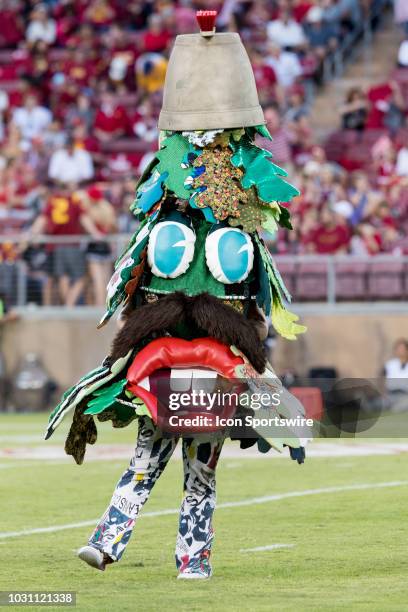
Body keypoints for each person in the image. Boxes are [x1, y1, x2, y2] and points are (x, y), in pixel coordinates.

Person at [46, 11, 308, 581]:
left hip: (206, 354)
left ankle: (183, 556)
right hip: (165, 353)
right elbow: (137, 277)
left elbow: (254, 289)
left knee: (189, 467)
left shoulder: (238, 227)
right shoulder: (170, 219)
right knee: (152, 457)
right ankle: (119, 543)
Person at [383, 339, 408, 412]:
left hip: (405, 395)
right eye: (398, 349)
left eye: (402, 349)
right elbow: (381, 378)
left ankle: (395, 409)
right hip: (390, 394)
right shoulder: (389, 364)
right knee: (378, 402)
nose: (400, 352)